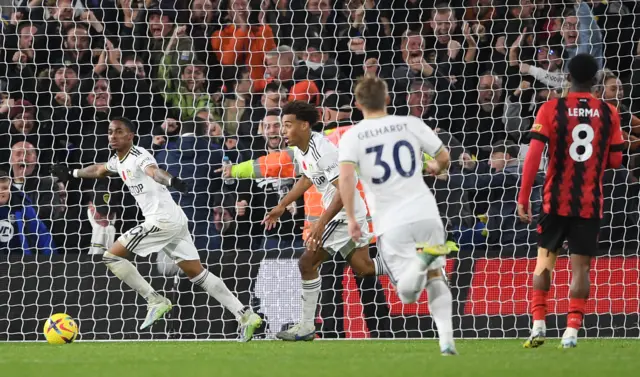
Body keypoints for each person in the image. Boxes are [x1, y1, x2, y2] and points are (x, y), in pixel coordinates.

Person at [51, 117, 262, 341]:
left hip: (161, 221)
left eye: (119, 131)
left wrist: (172, 182)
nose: (113, 136)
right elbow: (99, 170)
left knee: (111, 256)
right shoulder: (119, 160)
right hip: (174, 219)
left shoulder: (139, 155)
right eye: (111, 131)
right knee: (197, 274)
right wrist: (73, 174)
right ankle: (245, 315)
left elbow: (154, 171)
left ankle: (155, 299)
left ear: (130, 136)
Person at [337, 74, 457, 355]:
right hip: (426, 211)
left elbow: (345, 180)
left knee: (407, 293)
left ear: (357, 104)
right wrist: (435, 169)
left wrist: (354, 220)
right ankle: (447, 340)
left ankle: (419, 264)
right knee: (436, 276)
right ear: (388, 99)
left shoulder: (352, 135)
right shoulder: (410, 124)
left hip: (391, 221)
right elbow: (444, 158)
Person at [517, 53, 624, 349]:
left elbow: (534, 156)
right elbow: (616, 159)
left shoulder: (551, 108)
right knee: (581, 270)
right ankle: (572, 332)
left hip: (554, 200)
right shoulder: (609, 112)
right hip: (589, 202)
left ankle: (539, 325)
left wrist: (523, 197)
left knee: (544, 263)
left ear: (568, 76)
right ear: (595, 80)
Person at [264, 101, 382, 341]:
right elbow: (308, 178)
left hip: (342, 214)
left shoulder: (323, 150)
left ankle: (307, 326)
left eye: (287, 125)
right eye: (282, 126)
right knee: (365, 269)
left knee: (307, 263)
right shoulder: (301, 148)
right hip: (347, 214)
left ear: (305, 125)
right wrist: (281, 205)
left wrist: (320, 224)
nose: (282, 131)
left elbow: (344, 192)